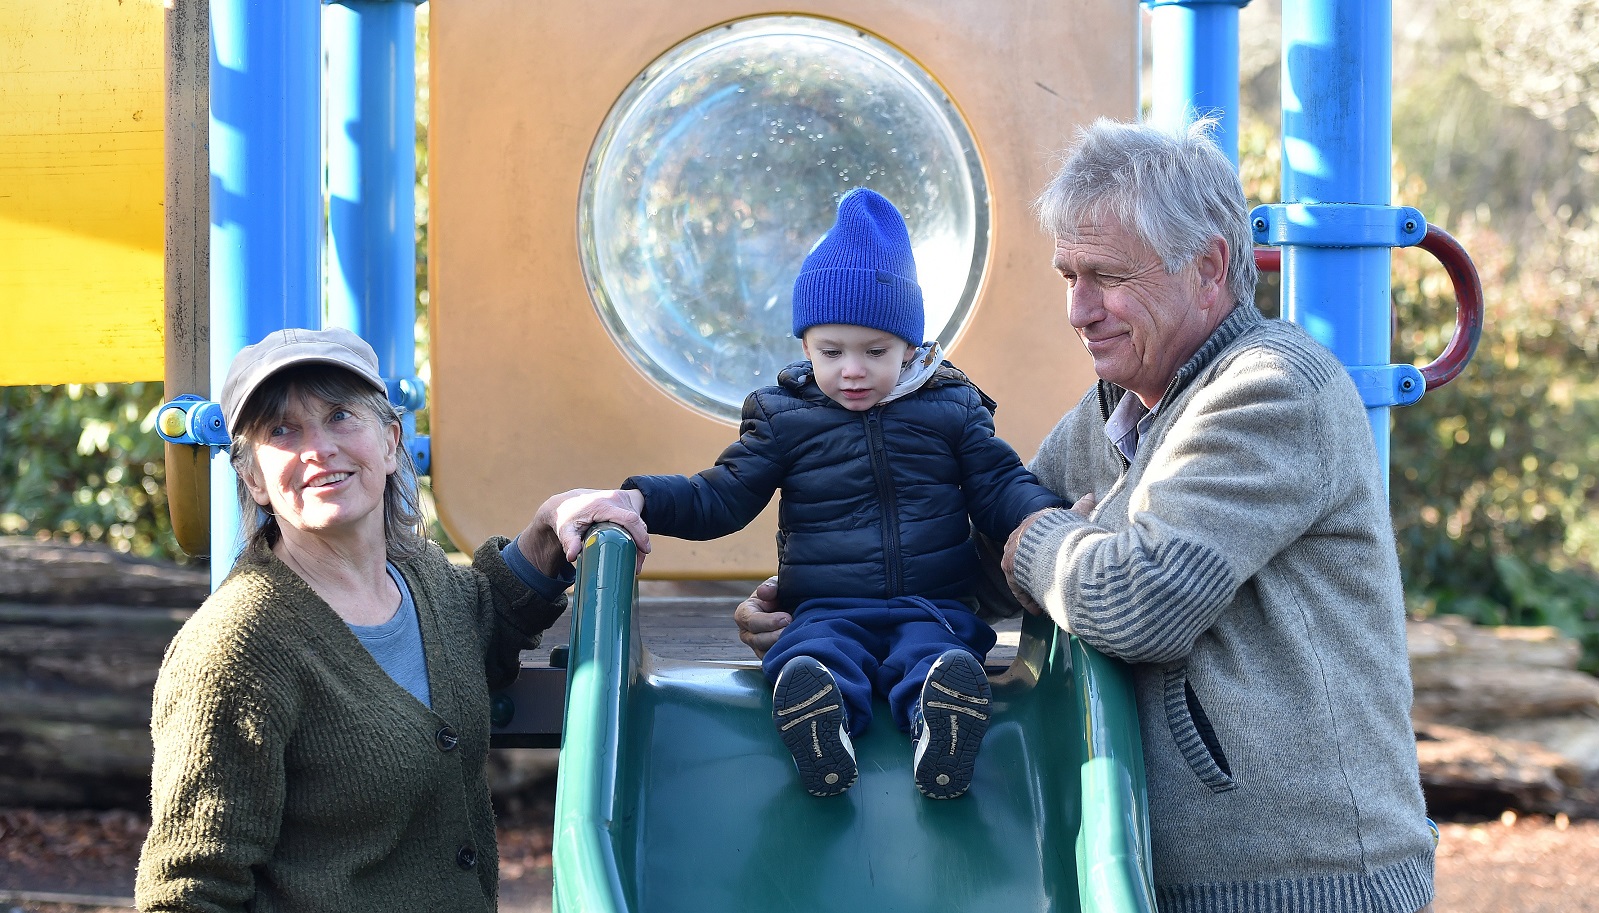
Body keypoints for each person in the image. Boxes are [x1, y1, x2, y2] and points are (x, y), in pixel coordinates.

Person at [739, 120, 1437, 912]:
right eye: (1068, 275)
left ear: (1207, 266)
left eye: (1105, 276)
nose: (1078, 310)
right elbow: (973, 562)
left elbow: (1137, 603)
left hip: (1303, 884)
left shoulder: (1270, 391)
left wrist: (1043, 540)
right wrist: (827, 600)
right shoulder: (1112, 410)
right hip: (1149, 875)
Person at [559, 188, 1063, 800]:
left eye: (875, 352)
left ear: (910, 349)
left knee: (938, 655)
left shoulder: (951, 410)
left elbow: (998, 485)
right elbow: (721, 496)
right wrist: (642, 499)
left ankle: (942, 725)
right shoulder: (784, 419)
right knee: (813, 654)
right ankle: (822, 726)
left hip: (932, 603)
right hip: (826, 605)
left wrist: (1049, 520)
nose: (852, 370)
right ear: (804, 345)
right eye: (832, 352)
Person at [134, 327, 648, 913]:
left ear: (389, 441)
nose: (318, 448)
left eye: (340, 416)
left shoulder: (418, 573)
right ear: (252, 476)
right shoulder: (235, 650)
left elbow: (481, 622)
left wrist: (551, 526)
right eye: (283, 430)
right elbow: (188, 893)